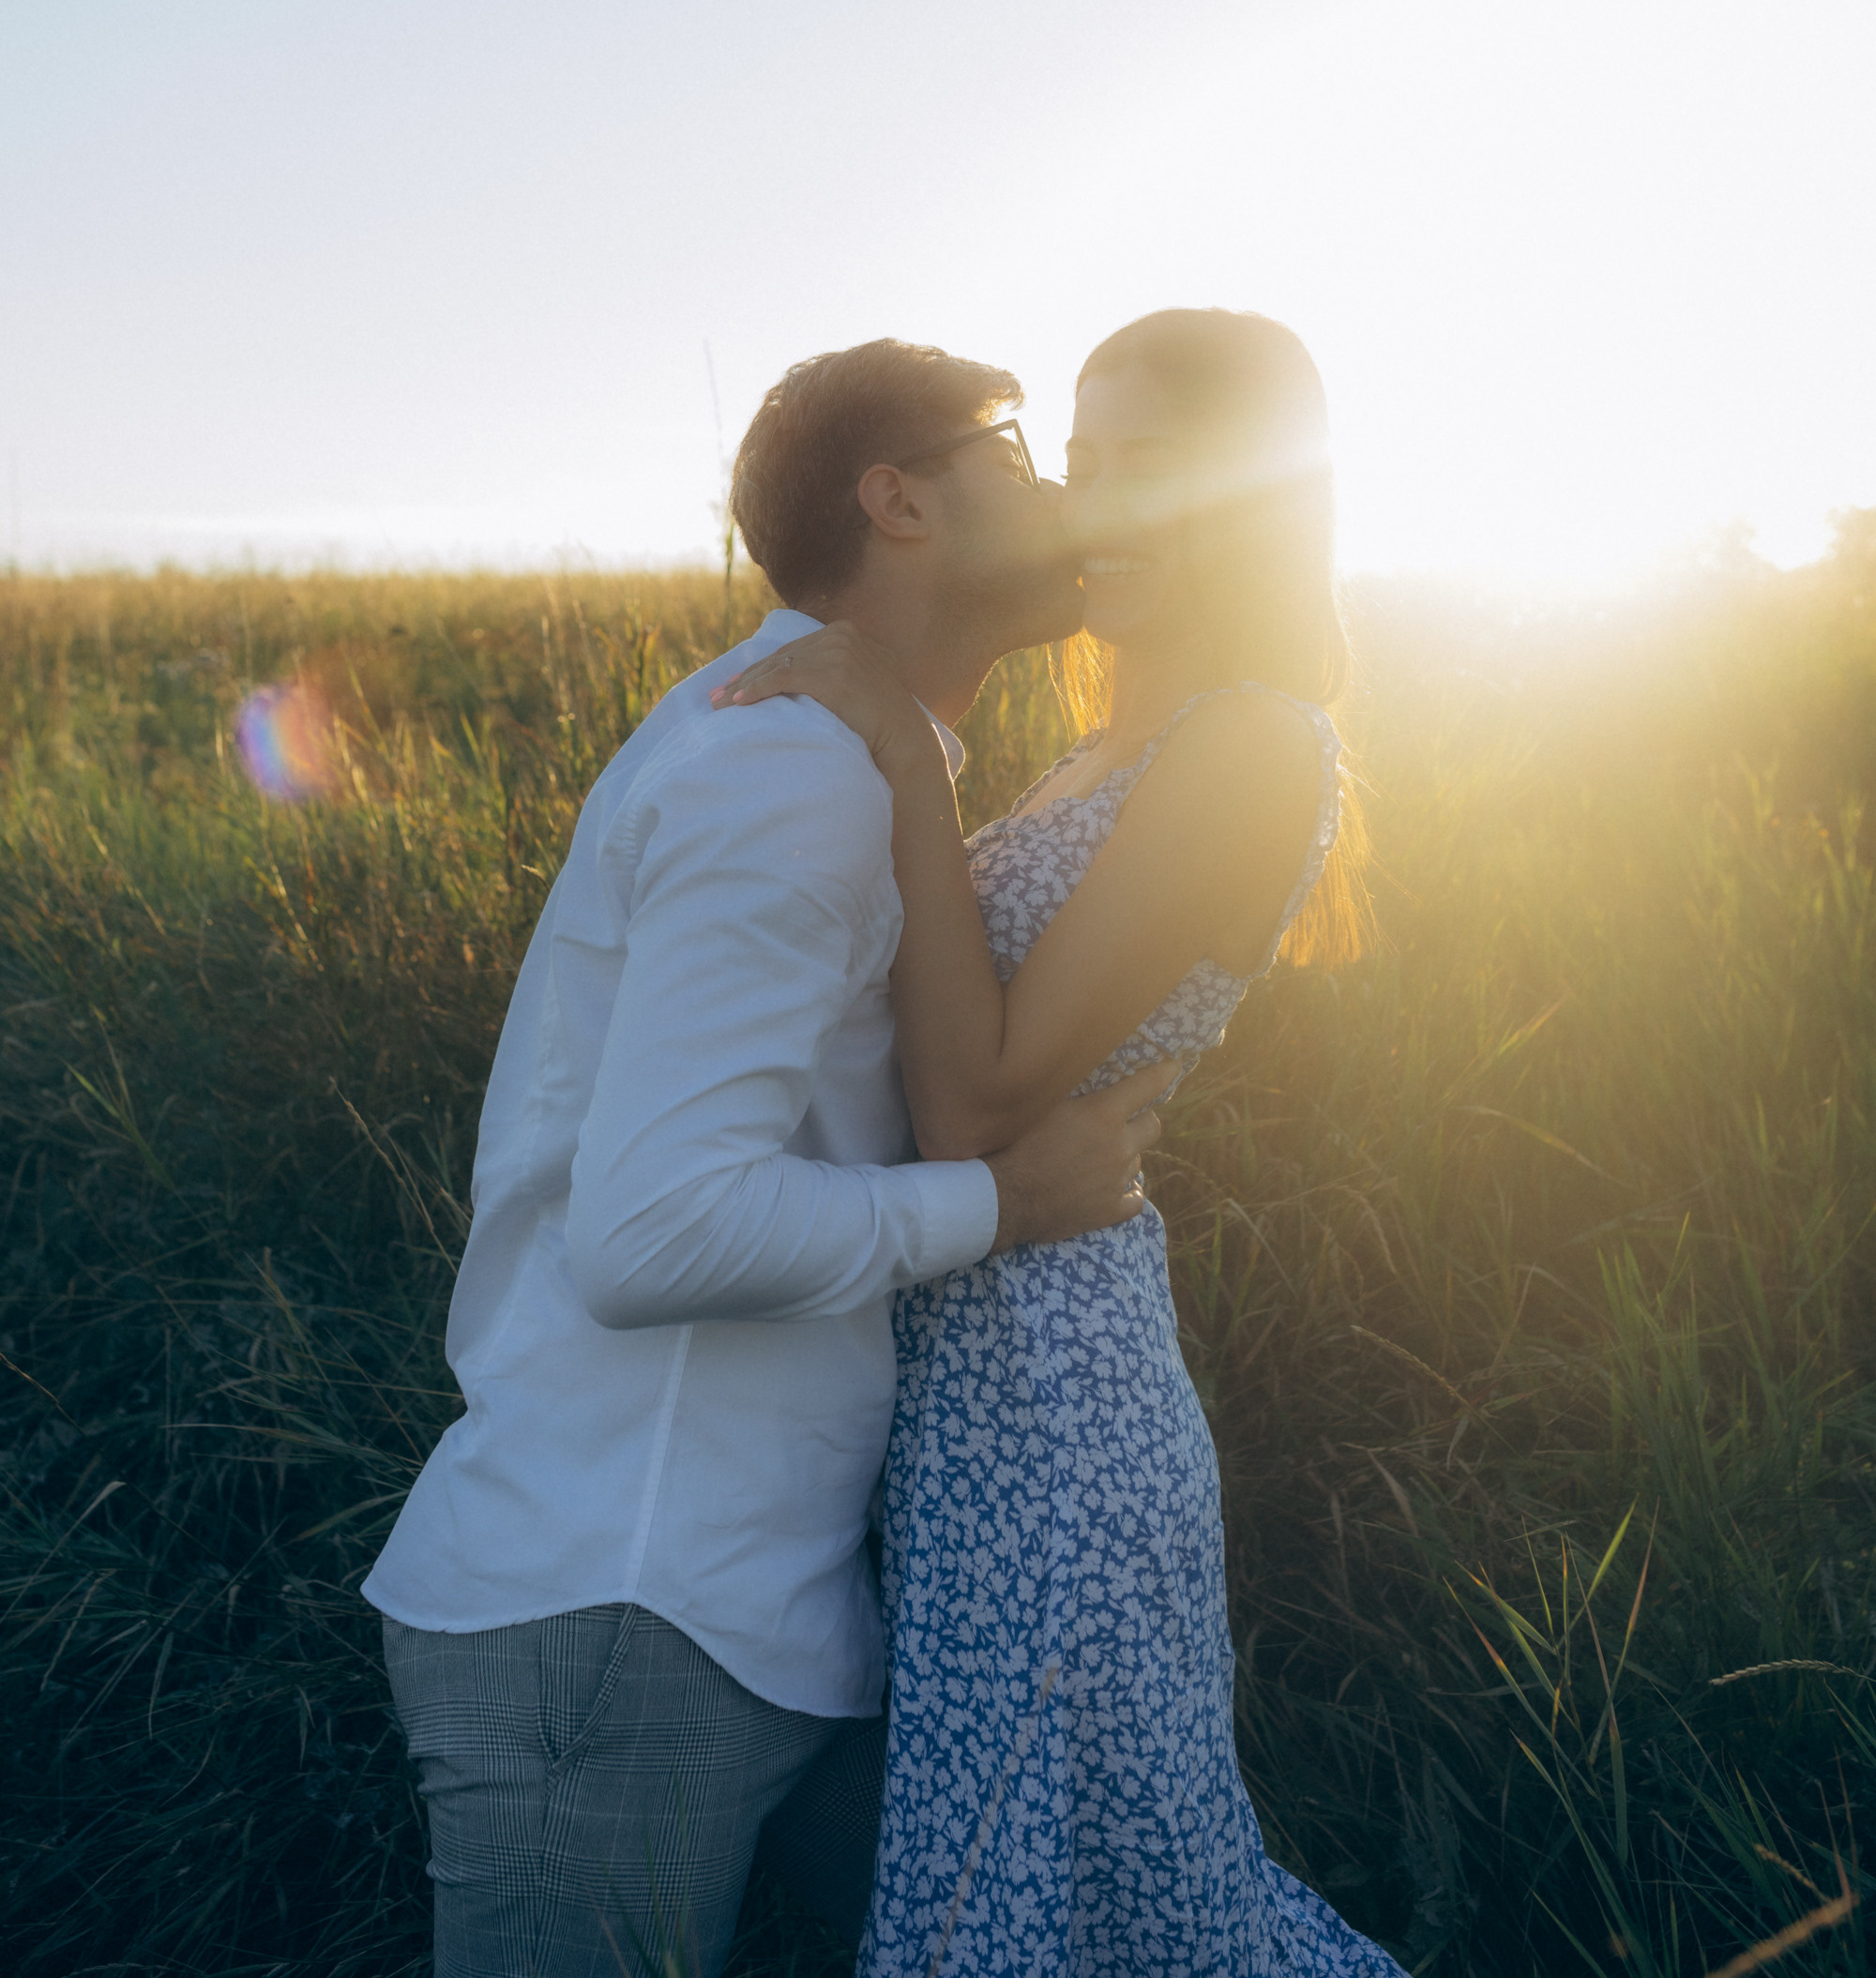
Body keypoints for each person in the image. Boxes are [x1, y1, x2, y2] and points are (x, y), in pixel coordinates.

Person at [363, 339, 1170, 1978]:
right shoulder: (788, 767)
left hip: (740, 1613)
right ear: (900, 500)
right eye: (1019, 453)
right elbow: (658, 1230)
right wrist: (1007, 1204)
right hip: (621, 1612)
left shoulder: (834, 757)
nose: (1061, 494)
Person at [719, 308, 1406, 1978]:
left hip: (1058, 1415)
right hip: (965, 1395)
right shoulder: (1105, 745)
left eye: (1149, 468)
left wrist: (899, 747)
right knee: (1056, 1895)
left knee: (1072, 1901)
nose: (1096, 508)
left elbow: (977, 1099)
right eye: (1081, 465)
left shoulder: (1252, 740)